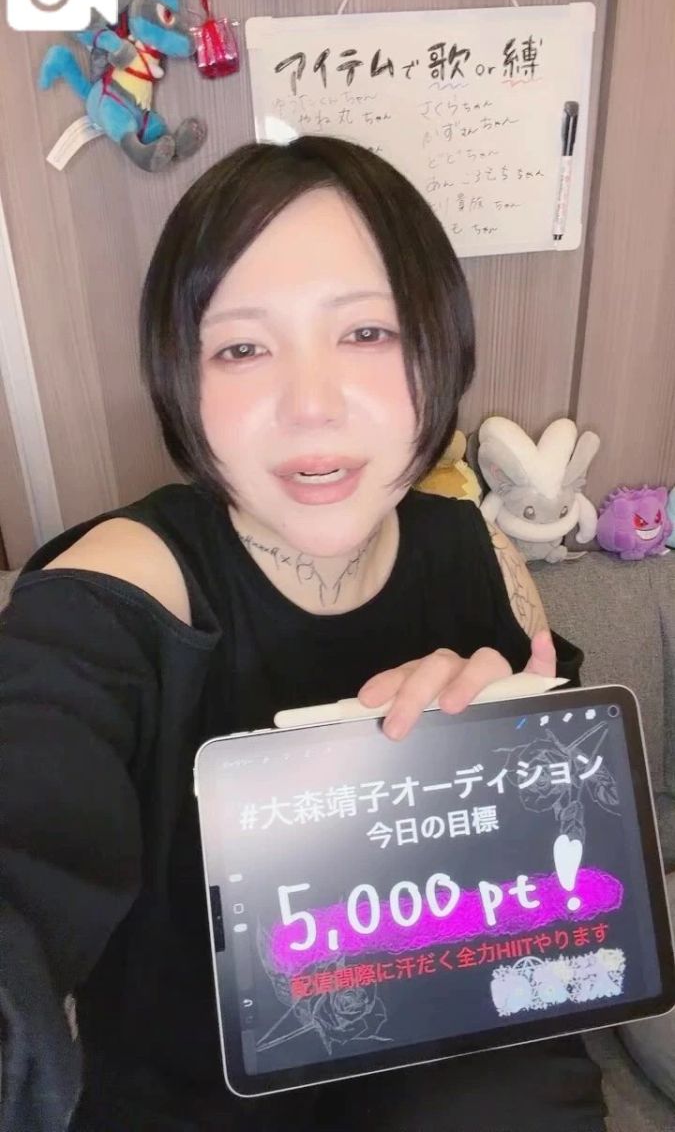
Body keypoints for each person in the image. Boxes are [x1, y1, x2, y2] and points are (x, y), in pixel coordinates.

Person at [0, 136, 605, 1132]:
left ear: (438, 346)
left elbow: (569, 886)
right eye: (242, 348)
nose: (310, 405)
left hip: (457, 1067)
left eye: (366, 332)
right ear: (181, 378)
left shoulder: (475, 552)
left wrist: (513, 746)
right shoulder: (126, 584)